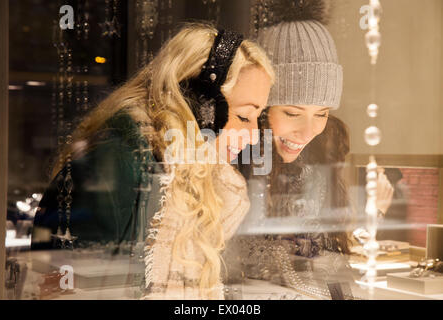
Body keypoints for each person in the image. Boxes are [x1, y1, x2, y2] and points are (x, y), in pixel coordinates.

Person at [31, 23, 274, 299]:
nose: (254, 136)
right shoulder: (115, 166)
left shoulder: (200, 178)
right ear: (199, 104)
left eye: (258, 118)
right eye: (244, 117)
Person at [226, 0, 393, 299]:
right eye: (291, 113)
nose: (308, 132)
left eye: (322, 113)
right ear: (261, 108)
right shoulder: (230, 160)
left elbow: (325, 254)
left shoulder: (313, 165)